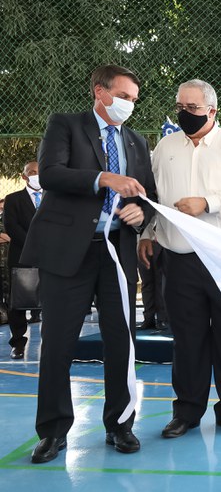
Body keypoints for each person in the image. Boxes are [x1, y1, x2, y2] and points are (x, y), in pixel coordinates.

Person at [20, 64, 156, 463]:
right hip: (67, 253)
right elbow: (52, 174)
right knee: (58, 344)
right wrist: (105, 179)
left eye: (134, 99)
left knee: (121, 341)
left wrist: (140, 213)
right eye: (125, 96)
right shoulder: (66, 125)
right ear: (101, 92)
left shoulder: (136, 141)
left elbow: (148, 193)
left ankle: (120, 425)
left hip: (117, 254)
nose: (130, 105)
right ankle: (53, 431)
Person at [139, 78, 221, 440]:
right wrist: (147, 233)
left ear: (212, 111)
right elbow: (154, 195)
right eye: (180, 107)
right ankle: (187, 413)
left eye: (192, 108)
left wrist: (208, 203)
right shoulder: (165, 147)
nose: (184, 114)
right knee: (187, 339)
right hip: (177, 256)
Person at [3, 161, 44, 358]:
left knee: (52, 299)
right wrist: (34, 244)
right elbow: (11, 227)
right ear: (24, 176)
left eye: (39, 171)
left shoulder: (53, 198)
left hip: (51, 257)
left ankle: (52, 342)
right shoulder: (13, 199)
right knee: (17, 302)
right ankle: (18, 343)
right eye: (32, 172)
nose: (37, 175)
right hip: (21, 256)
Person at [137, 236, 167, 332]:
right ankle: (148, 318)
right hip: (142, 243)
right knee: (146, 283)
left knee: (160, 282)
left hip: (162, 243)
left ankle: (162, 318)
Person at [0, 199, 9, 324]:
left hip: (7, 260)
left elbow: (11, 236)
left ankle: (8, 315)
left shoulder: (9, 219)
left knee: (8, 289)